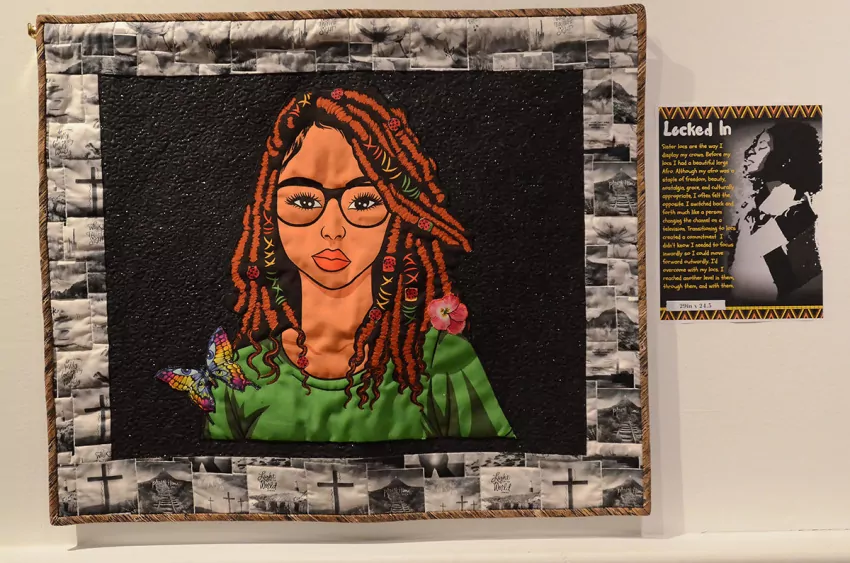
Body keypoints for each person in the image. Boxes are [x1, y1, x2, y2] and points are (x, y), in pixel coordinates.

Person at [157, 87, 514, 443]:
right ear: (269, 213)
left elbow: (498, 471)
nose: (332, 229)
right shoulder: (241, 374)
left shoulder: (435, 362)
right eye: (303, 200)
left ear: (399, 212)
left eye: (362, 202)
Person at [727, 121, 822, 304]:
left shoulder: (798, 213)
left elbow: (799, 284)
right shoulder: (752, 207)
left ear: (785, 157)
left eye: (762, 146)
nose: (750, 151)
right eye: (754, 145)